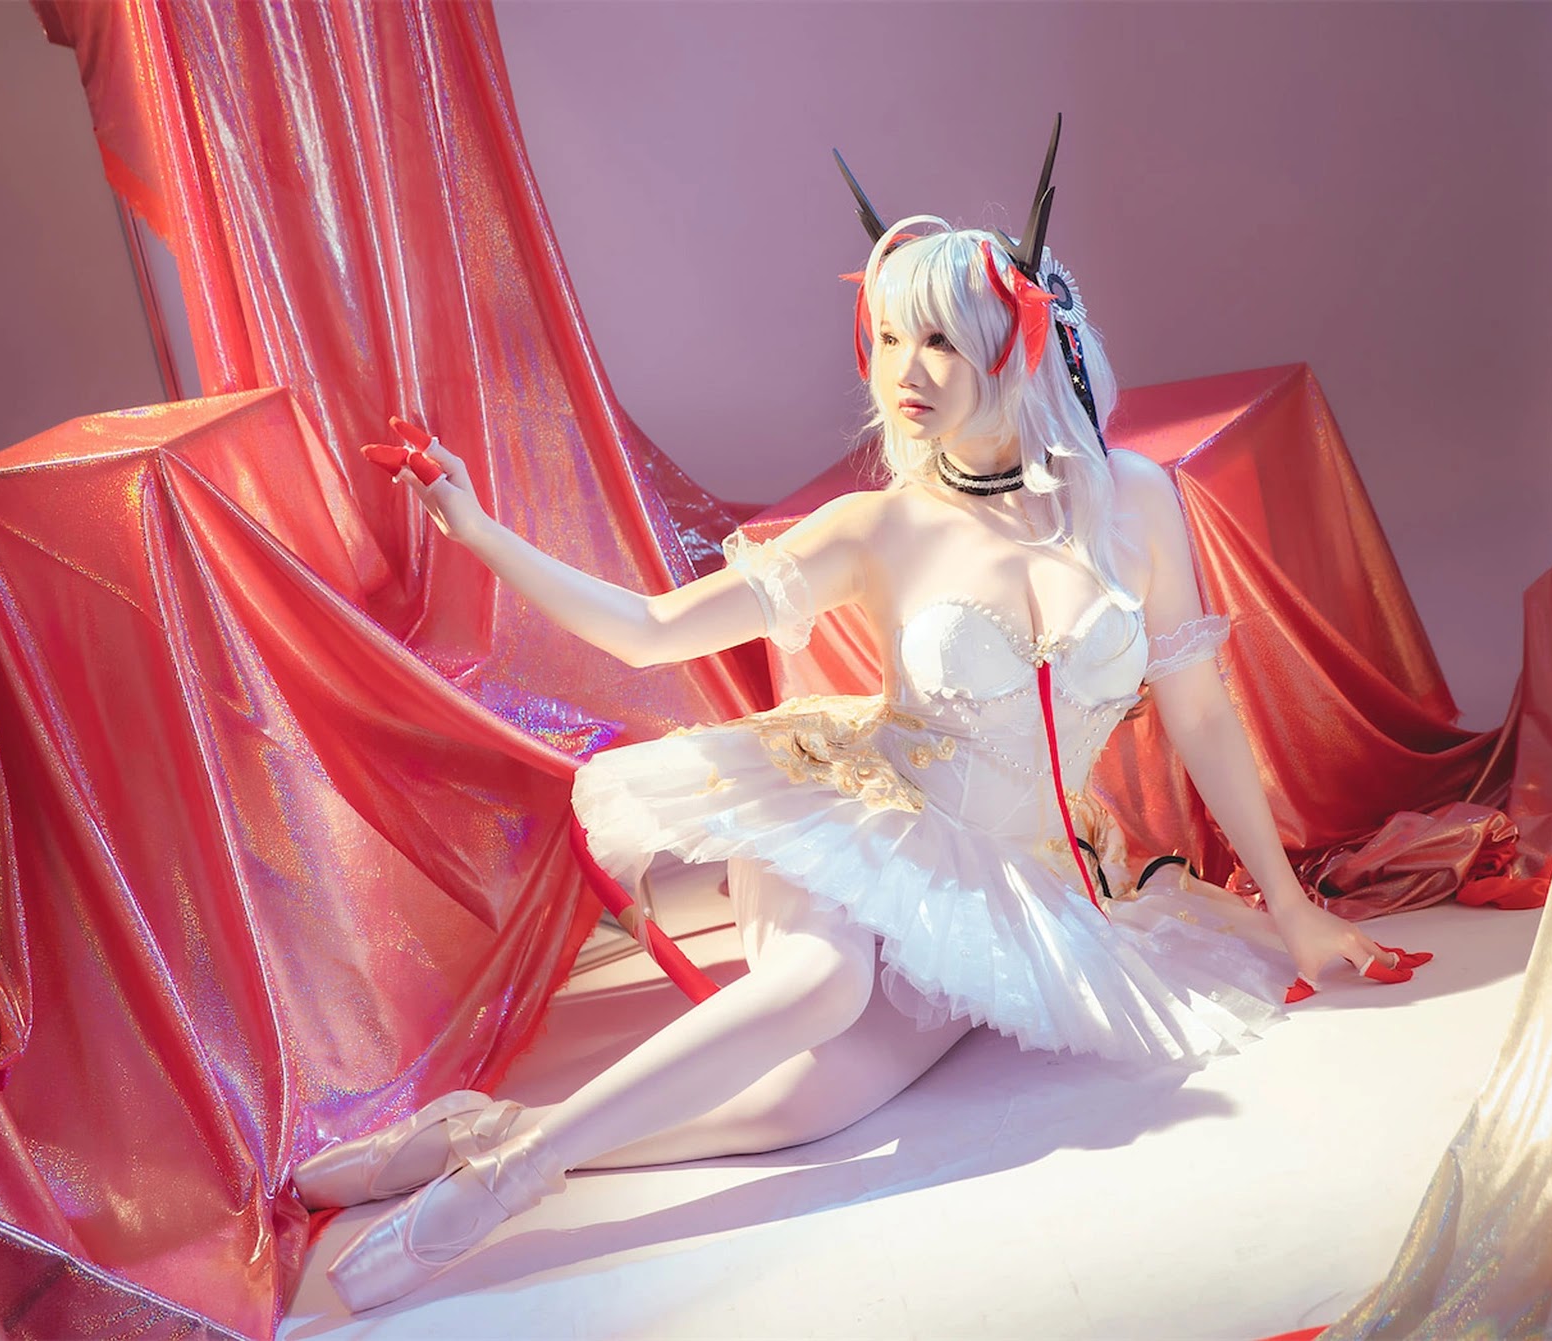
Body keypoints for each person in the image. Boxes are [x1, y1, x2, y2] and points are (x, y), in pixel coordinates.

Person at [309, 206, 1425, 1313]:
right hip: (849, 812)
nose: (905, 370)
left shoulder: (1134, 502)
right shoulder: (877, 528)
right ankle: (503, 1185)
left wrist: (1289, 910)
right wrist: (475, 528)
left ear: (1018, 345)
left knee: (801, 1110)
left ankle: (479, 1136)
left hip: (1003, 882)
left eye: (938, 339)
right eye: (888, 337)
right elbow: (649, 630)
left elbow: (1202, 714)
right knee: (821, 983)